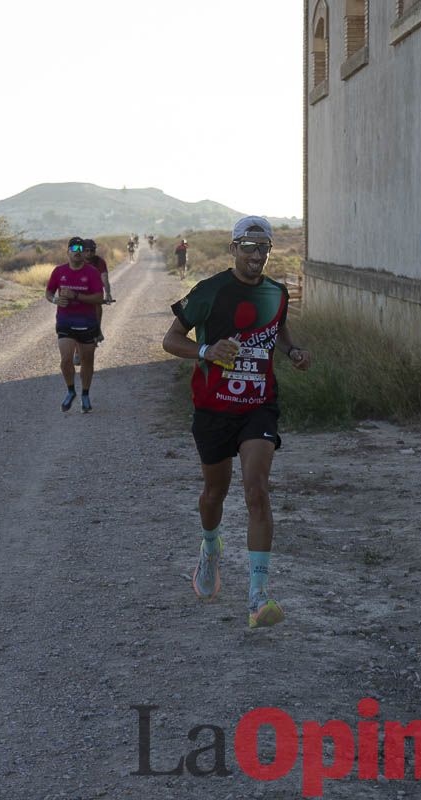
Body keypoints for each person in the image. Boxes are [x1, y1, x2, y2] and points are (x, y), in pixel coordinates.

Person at [162, 215, 311, 629]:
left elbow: (278, 331)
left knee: (257, 489)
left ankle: (257, 598)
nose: (257, 256)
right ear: (233, 250)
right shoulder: (210, 291)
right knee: (214, 493)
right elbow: (171, 339)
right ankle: (210, 548)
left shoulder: (277, 293)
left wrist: (294, 351)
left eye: (263, 248)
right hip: (213, 408)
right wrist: (206, 350)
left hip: (258, 406)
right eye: (248, 247)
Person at [46, 236, 105, 413]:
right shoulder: (58, 271)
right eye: (74, 249)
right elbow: (48, 292)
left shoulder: (92, 272)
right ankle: (71, 391)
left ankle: (85, 394)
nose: (78, 253)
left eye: (81, 250)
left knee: (87, 361)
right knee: (65, 360)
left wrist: (76, 296)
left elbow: (99, 298)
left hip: (88, 322)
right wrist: (55, 299)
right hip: (65, 322)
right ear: (68, 252)